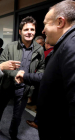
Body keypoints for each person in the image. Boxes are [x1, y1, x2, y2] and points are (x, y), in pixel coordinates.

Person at [0, 16, 45, 140]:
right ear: (20, 31)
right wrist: (15, 74)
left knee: (17, 115)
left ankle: (13, 134)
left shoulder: (39, 49)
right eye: (26, 29)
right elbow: (2, 63)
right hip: (7, 85)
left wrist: (29, 78)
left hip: (25, 88)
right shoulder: (11, 46)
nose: (29, 32)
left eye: (32, 29)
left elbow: (42, 69)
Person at [36, 1, 75, 139]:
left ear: (60, 22)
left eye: (46, 24)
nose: (43, 30)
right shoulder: (64, 46)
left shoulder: (71, 47)